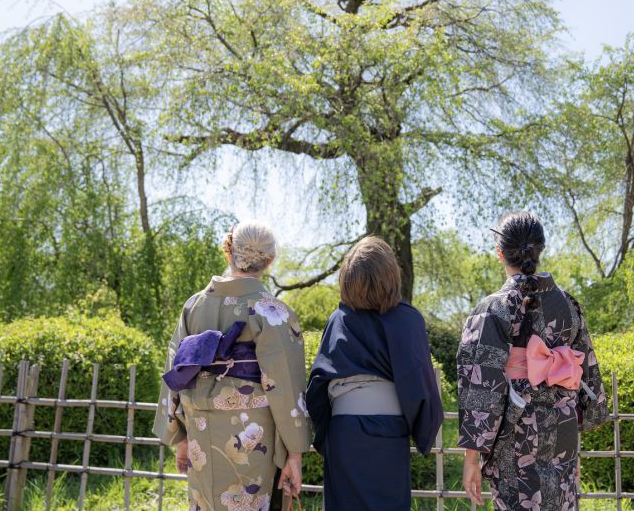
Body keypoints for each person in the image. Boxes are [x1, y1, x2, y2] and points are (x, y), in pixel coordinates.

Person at [456, 211, 608, 510]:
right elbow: (586, 367)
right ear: (541, 248)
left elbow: (480, 385)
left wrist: (472, 456)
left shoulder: (493, 309)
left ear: (500, 252)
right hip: (562, 428)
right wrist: (590, 413)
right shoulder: (567, 304)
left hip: (518, 430)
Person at [153, 221, 310, 511]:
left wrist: (180, 437)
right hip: (250, 432)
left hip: (199, 426)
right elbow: (285, 387)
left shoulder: (194, 306)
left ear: (229, 251)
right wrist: (295, 454)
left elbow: (177, 372)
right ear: (270, 261)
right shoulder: (271, 312)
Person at [306, 236, 444, 511]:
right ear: (391, 275)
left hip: (345, 432)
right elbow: (420, 381)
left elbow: (318, 384)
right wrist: (422, 427)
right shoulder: (408, 319)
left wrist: (325, 434)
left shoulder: (339, 319)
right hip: (389, 431)